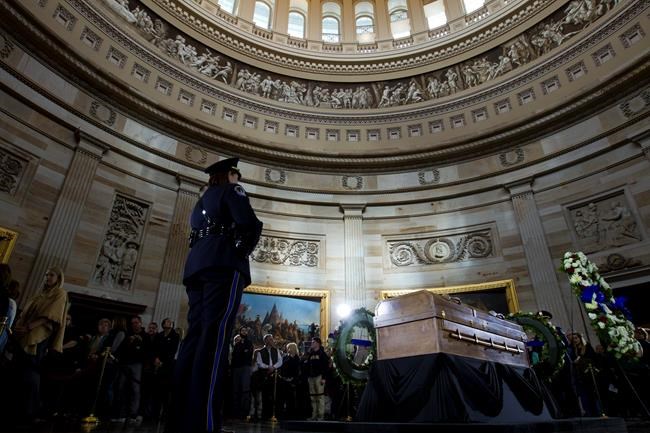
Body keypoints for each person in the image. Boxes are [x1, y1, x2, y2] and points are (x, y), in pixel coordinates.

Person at [169, 157, 263, 433]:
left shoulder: (201, 201)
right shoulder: (232, 191)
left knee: (195, 338)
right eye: (237, 175)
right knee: (216, 338)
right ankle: (206, 423)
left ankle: (180, 421)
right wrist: (240, 252)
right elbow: (249, 223)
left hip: (196, 266)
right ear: (229, 175)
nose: (238, 179)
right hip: (223, 264)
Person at [13, 267, 68, 423]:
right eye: (46, 275)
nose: (47, 277)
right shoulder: (41, 293)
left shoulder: (60, 293)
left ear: (58, 278)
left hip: (39, 336)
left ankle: (30, 411)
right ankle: (18, 409)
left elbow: (52, 316)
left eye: (51, 275)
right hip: (25, 333)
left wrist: (29, 327)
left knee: (31, 371)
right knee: (20, 370)